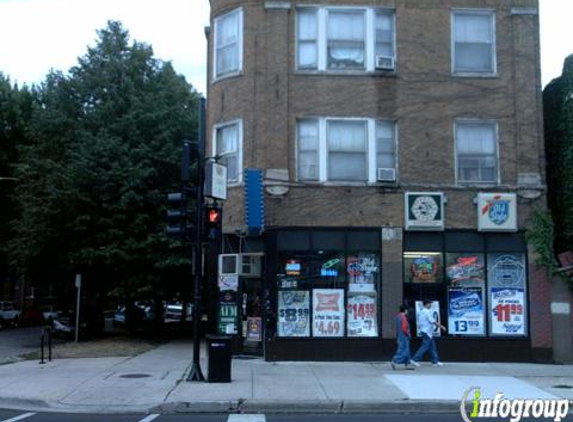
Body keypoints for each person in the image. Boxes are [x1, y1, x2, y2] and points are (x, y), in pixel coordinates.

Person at [410, 300, 446, 367]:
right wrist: (442, 327)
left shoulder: (421, 311)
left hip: (426, 332)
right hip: (427, 332)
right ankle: (415, 359)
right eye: (430, 304)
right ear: (427, 304)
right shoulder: (427, 312)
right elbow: (432, 321)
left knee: (432, 347)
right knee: (424, 347)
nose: (431, 305)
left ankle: (435, 361)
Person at [391, 305, 415, 370]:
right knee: (405, 351)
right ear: (405, 310)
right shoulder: (403, 318)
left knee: (406, 351)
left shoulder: (398, 317)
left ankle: (407, 365)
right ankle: (395, 361)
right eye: (407, 310)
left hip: (399, 336)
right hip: (404, 337)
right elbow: (404, 329)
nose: (408, 312)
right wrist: (408, 334)